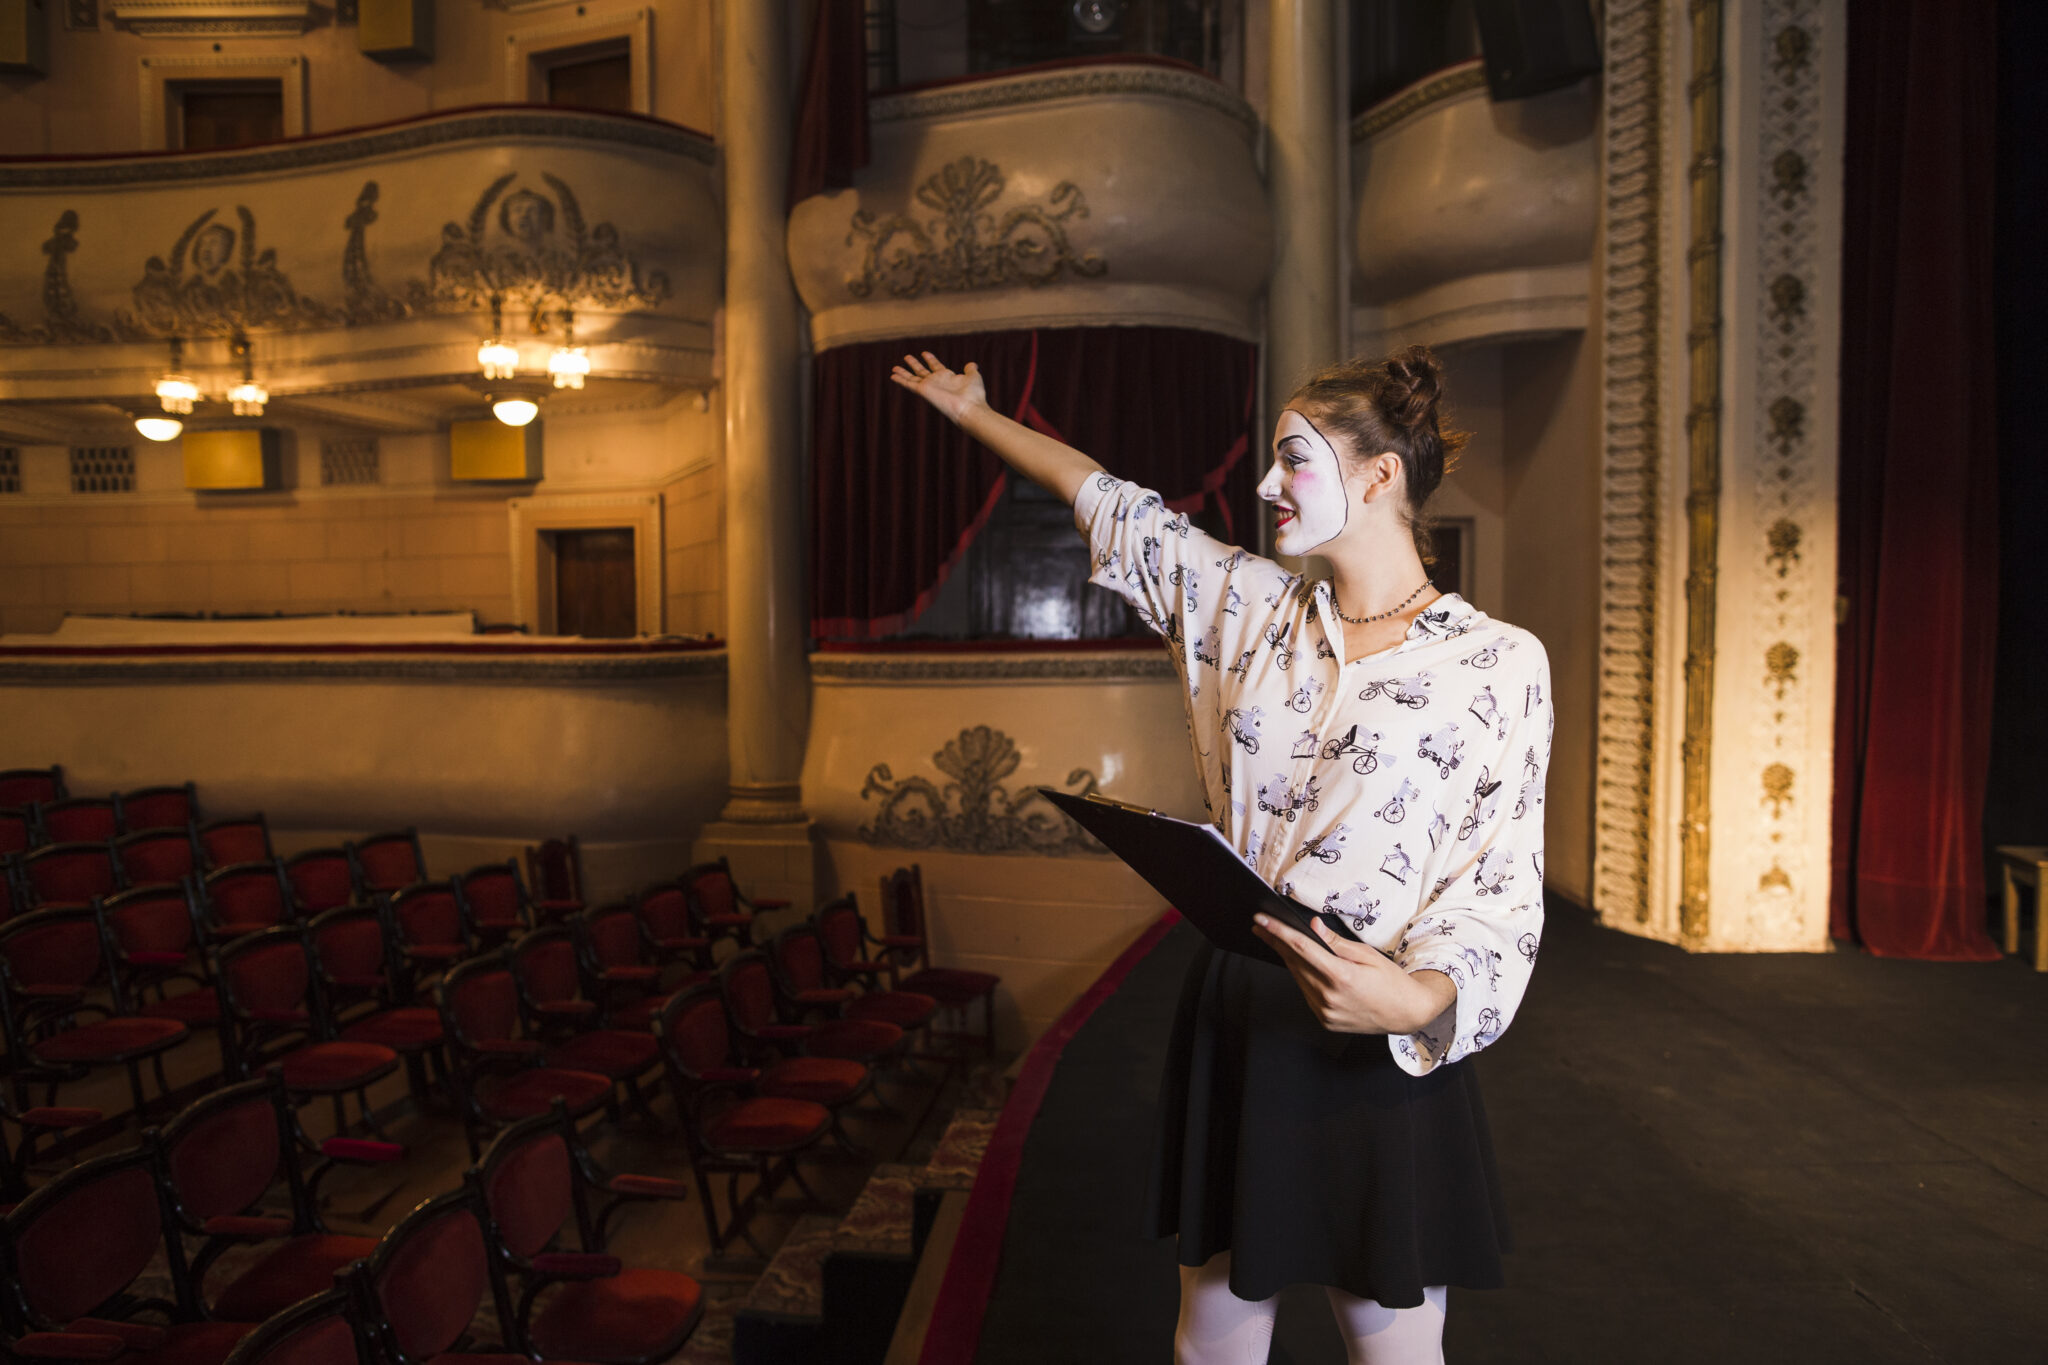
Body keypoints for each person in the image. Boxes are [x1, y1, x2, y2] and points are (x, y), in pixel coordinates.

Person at [893, 345, 1550, 1365]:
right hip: (1243, 1004)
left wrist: (1420, 1001)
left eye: (1291, 459)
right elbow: (1110, 503)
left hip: (1380, 1023)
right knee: (1211, 1332)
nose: (1262, 485)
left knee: (1392, 1340)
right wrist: (976, 414)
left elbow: (1498, 881)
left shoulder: (1498, 664)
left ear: (1377, 477)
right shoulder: (1245, 606)